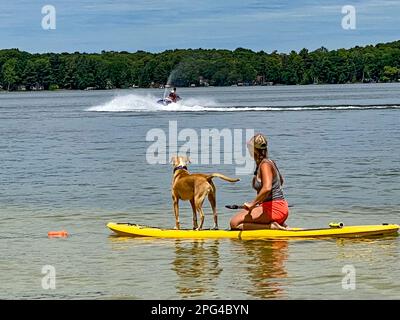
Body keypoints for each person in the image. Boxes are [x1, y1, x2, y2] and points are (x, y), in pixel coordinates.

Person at [230, 134, 289, 230]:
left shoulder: (264, 165)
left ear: (254, 150)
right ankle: (276, 224)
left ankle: (271, 226)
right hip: (279, 207)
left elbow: (267, 188)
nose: (248, 151)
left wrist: (252, 204)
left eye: (249, 148)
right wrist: (260, 203)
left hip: (275, 209)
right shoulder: (269, 162)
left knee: (234, 223)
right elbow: (280, 182)